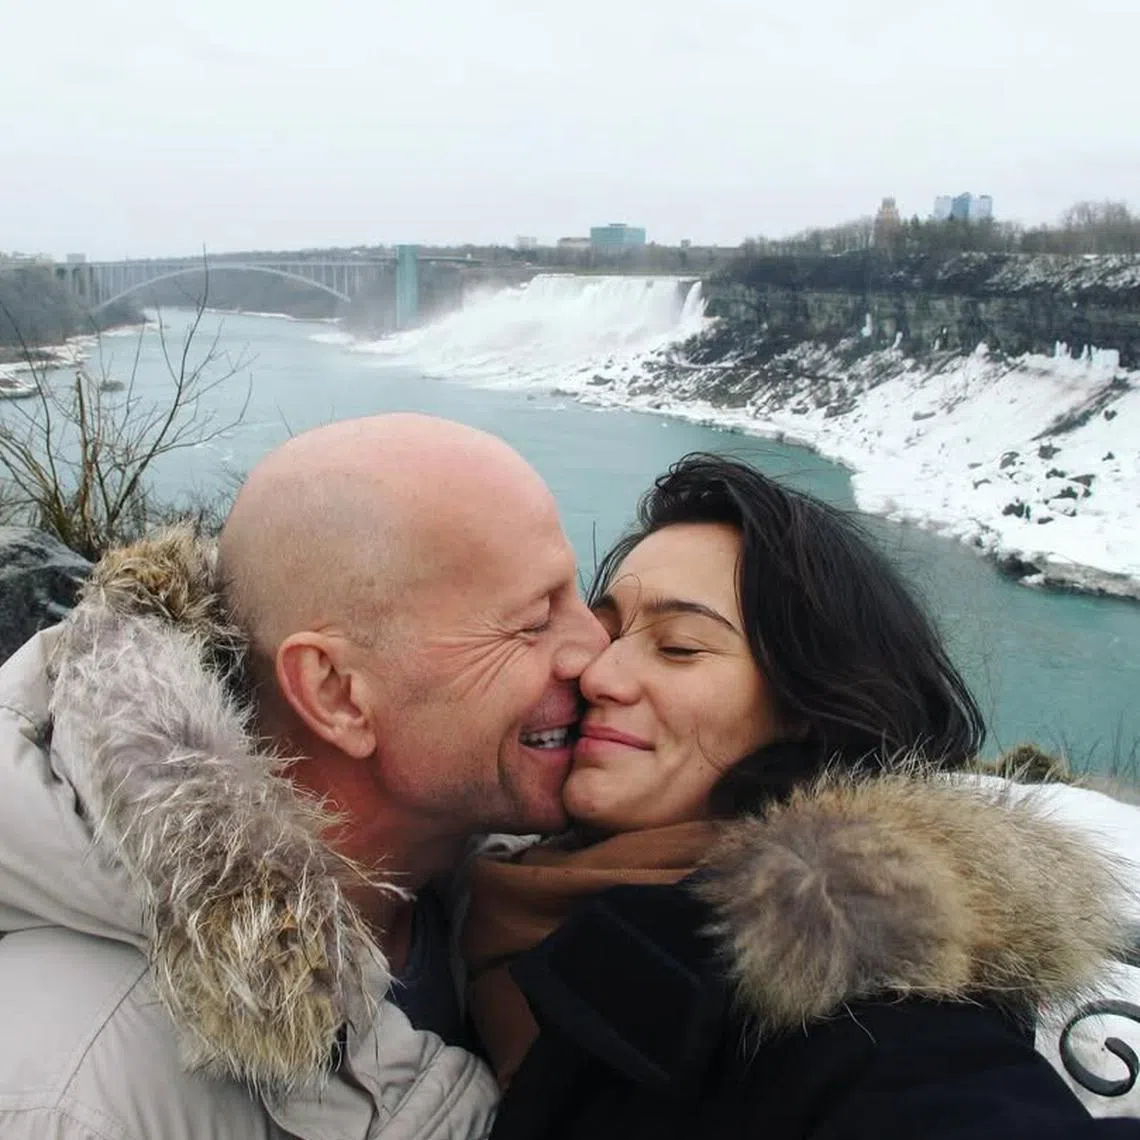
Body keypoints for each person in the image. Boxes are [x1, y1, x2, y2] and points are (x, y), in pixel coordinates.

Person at [463, 453, 1140, 1140]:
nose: (598, 672)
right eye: (606, 633)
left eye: (679, 647)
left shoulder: (842, 964)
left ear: (805, 707)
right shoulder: (480, 887)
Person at [0, 414, 608, 1140]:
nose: (598, 651)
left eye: (581, 597)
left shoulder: (484, 888)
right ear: (335, 694)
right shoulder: (71, 1093)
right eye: (533, 623)